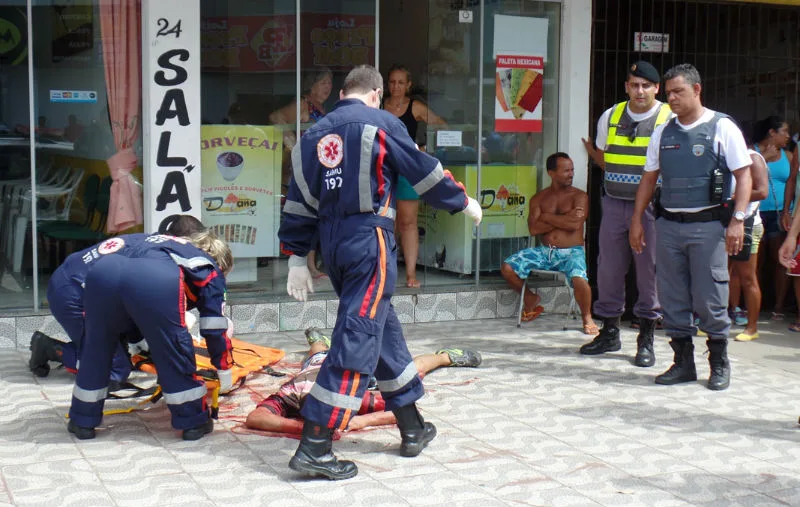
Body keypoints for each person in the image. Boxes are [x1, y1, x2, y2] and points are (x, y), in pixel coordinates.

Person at [278, 65, 482, 481]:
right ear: (374, 93)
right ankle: (315, 444)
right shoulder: (382, 122)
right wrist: (461, 201)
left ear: (341, 93)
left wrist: (297, 257)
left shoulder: (311, 136)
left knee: (379, 326)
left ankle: (412, 426)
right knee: (358, 332)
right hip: (368, 239)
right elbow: (422, 171)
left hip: (332, 245)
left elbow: (298, 200)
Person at [629, 63, 752, 391]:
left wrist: (738, 220)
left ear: (697, 90)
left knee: (710, 295)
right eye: (668, 93)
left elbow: (744, 175)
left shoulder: (721, 127)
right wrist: (637, 220)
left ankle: (719, 363)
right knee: (672, 297)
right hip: (668, 225)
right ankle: (682, 363)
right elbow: (649, 177)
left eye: (678, 92)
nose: (672, 98)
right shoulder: (663, 131)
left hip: (708, 227)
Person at [67, 230, 235, 441]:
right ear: (221, 263)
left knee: (96, 346)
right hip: (152, 278)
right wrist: (224, 367)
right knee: (173, 347)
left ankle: (82, 420)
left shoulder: (166, 243)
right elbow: (214, 326)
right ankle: (193, 422)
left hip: (102, 272)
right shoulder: (208, 267)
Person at [29, 215, 206, 380]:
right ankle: (49, 349)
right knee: (116, 370)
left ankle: (112, 348)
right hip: (73, 295)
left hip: (79, 283)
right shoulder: (154, 259)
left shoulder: (147, 243)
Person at [578, 61, 672, 365]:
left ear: (657, 88)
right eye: (634, 84)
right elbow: (604, 157)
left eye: (647, 85)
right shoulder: (611, 115)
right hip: (614, 202)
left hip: (652, 207)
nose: (640, 90)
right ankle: (609, 333)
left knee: (649, 270)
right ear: (626, 87)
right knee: (608, 269)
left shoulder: (669, 117)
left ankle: (646, 338)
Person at [245, 328, 481, 435]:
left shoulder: (354, 398)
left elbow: (404, 410)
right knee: (316, 356)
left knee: (410, 372)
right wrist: (300, 428)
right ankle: (318, 340)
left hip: (360, 373)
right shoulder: (293, 392)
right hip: (318, 367)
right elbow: (255, 417)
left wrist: (360, 423)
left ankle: (445, 356)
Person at [500, 152, 598, 335]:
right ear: (551, 173)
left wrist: (546, 217)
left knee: (579, 279)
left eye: (572, 170)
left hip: (572, 252)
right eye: (566, 170)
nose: (571, 174)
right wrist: (563, 218)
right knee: (508, 267)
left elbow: (575, 224)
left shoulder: (580, 197)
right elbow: (534, 229)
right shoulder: (539, 198)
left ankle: (587, 317)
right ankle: (530, 299)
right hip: (545, 252)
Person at [383, 64, 447, 288]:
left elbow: (442, 127)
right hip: (382, 169)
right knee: (385, 222)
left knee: (408, 222)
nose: (396, 86)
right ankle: (385, 272)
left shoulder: (415, 106)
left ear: (408, 85)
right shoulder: (380, 105)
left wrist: (424, 149)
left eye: (401, 82)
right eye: (392, 82)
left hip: (408, 169)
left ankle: (410, 274)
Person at [271, 68, 334, 280]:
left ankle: (311, 263)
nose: (328, 87)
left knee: (316, 216)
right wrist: (294, 146)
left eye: (329, 83)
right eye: (323, 82)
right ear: (311, 85)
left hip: (318, 170)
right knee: (305, 215)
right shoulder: (303, 104)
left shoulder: (321, 109)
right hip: (303, 171)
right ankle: (306, 264)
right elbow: (276, 117)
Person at [751, 116, 794, 321]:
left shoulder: (789, 155)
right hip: (757, 212)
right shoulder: (752, 151)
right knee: (756, 261)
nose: (787, 136)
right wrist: (764, 158)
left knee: (779, 260)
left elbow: (793, 183)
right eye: (784, 131)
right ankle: (754, 304)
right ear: (772, 133)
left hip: (779, 212)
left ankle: (778, 305)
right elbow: (743, 179)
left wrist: (788, 210)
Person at [728, 149, 769, 341]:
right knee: (719, 273)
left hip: (748, 224)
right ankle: (714, 321)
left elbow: (762, 191)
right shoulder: (722, 156)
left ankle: (752, 328)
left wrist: (735, 197)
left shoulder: (752, 157)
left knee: (748, 277)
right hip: (724, 223)